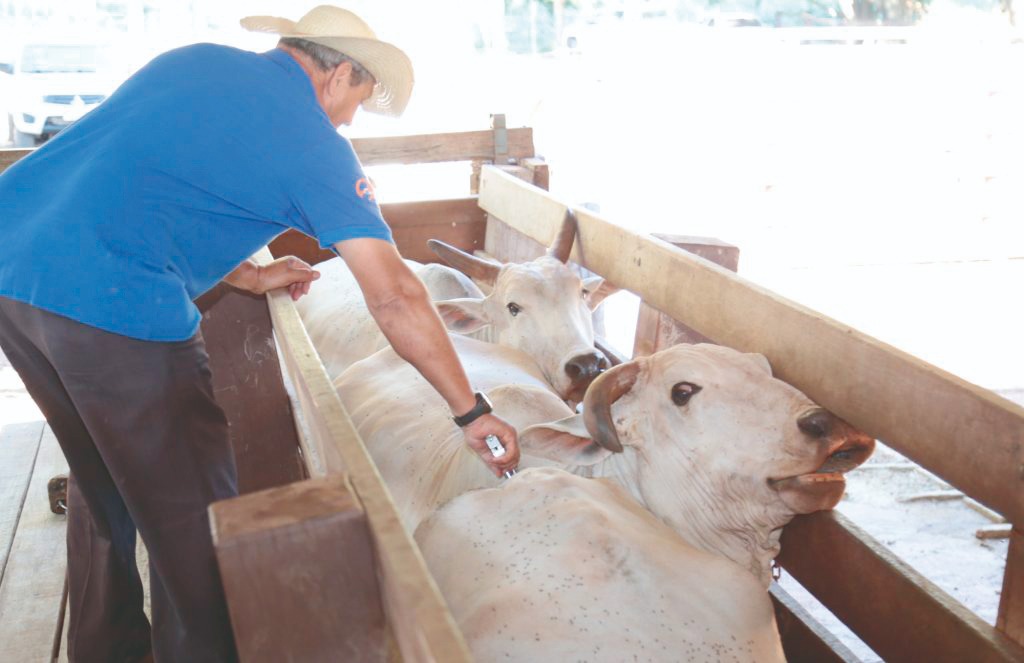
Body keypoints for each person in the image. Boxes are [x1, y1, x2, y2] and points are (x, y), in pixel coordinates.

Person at [0, 5, 519, 661]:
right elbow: (394, 294)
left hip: (14, 269)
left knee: (101, 487)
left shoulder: (195, 62)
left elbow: (136, 182)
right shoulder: (314, 143)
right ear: (341, 75)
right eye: (358, 98)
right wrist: (469, 408)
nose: (351, 119)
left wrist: (247, 274)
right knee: (194, 520)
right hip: (114, 302)